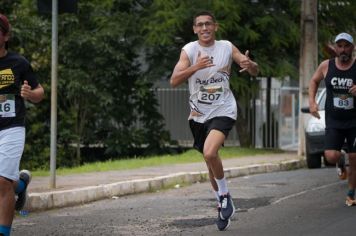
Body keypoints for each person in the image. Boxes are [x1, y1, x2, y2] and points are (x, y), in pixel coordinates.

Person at [170, 11, 259, 231]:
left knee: (210, 153)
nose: (204, 28)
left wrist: (251, 65)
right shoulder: (189, 51)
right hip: (198, 115)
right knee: (210, 161)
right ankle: (222, 203)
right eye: (200, 25)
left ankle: (225, 195)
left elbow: (252, 69)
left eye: (208, 24)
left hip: (224, 109)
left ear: (215, 27)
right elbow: (173, 81)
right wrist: (195, 67)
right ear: (194, 29)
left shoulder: (226, 47)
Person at [0, 13, 44, 236]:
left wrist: (30, 94)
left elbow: (40, 92)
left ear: (5, 36)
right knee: (4, 184)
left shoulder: (18, 63)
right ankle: (21, 185)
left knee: (1, 181)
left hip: (11, 128)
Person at [308, 32, 356, 207]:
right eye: (340, 46)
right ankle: (340, 162)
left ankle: (351, 193)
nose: (343, 49)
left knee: (355, 156)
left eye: (346, 46)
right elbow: (313, 81)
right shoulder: (326, 66)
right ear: (336, 48)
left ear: (352, 48)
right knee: (330, 156)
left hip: (354, 122)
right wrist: (312, 102)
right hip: (334, 121)